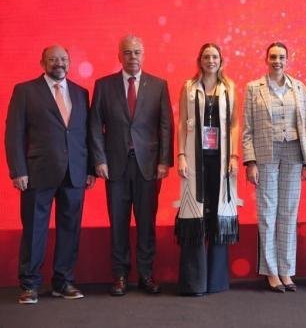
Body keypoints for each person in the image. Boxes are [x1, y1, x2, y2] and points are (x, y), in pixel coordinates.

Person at [5, 45, 95, 304]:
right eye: (53, 59)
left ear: (70, 62)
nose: (59, 63)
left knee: (70, 229)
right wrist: (18, 170)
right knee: (35, 230)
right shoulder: (25, 91)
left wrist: (90, 169)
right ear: (42, 62)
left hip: (75, 173)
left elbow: (86, 134)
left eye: (63, 59)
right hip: (37, 173)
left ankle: (63, 282)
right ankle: (30, 285)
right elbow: (14, 133)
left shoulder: (80, 93)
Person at [89, 35, 173, 296]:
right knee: (118, 223)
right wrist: (99, 160)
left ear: (143, 55)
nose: (132, 57)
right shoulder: (103, 85)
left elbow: (166, 126)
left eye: (136, 52)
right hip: (115, 166)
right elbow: (95, 125)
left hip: (148, 166)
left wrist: (164, 161)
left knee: (147, 223)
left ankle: (146, 275)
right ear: (119, 56)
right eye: (127, 52)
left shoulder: (159, 85)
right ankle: (120, 276)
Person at [242, 42, 306, 292]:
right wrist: (250, 162)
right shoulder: (254, 88)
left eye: (281, 57)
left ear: (287, 59)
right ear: (266, 59)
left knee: (288, 213)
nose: (277, 61)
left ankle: (286, 270)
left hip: (293, 153)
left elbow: (305, 126)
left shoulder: (299, 88)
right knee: (267, 212)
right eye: (273, 57)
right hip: (266, 154)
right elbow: (247, 129)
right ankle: (271, 271)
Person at [175, 43, 240, 295]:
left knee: (217, 215)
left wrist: (234, 156)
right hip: (195, 160)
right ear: (199, 60)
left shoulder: (229, 87)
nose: (210, 60)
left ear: (220, 60)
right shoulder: (189, 87)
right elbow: (182, 123)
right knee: (196, 216)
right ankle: (194, 282)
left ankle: (216, 282)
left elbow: (234, 124)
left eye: (214, 57)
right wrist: (181, 155)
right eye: (206, 57)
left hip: (221, 161)